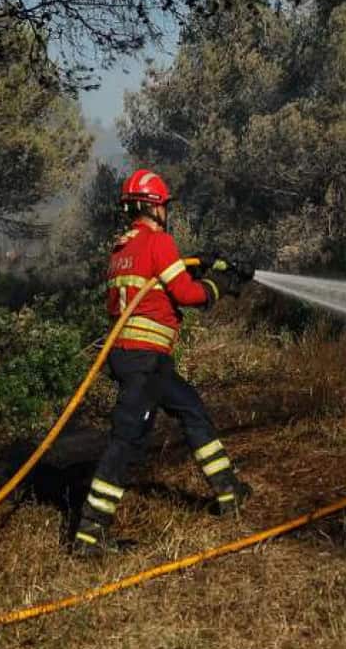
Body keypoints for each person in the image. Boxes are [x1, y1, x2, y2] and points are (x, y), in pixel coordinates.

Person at [73, 169, 254, 557]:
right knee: (128, 441)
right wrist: (219, 286)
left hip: (136, 358)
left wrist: (196, 265)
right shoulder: (159, 241)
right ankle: (90, 534)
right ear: (155, 207)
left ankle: (228, 490)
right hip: (145, 360)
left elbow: (155, 286)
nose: (166, 214)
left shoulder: (122, 249)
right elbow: (187, 296)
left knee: (191, 410)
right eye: (164, 207)